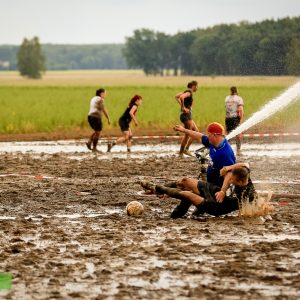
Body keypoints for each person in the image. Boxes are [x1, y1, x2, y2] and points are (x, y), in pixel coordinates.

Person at [141, 162, 257, 218]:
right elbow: (245, 164)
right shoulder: (245, 174)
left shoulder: (249, 194)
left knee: (188, 195)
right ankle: (160, 191)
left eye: (233, 180)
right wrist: (228, 168)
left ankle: (156, 187)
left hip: (217, 206)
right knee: (185, 181)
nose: (230, 181)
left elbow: (251, 210)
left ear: (241, 182)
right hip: (217, 192)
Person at [175, 80, 199, 157]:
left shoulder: (186, 92)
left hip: (187, 115)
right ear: (194, 86)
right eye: (197, 86)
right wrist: (183, 107)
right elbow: (181, 97)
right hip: (186, 116)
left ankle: (186, 149)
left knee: (196, 132)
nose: (197, 88)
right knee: (187, 135)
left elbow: (177, 96)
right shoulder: (189, 92)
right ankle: (181, 152)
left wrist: (182, 106)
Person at [86, 88, 111, 152]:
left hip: (90, 117)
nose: (105, 95)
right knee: (98, 133)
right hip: (96, 117)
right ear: (101, 93)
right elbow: (103, 109)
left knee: (96, 131)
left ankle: (89, 142)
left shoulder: (93, 98)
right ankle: (94, 148)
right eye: (105, 93)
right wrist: (108, 118)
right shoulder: (100, 99)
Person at [225, 86, 244, 153]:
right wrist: (241, 119)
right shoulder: (239, 99)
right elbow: (240, 109)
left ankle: (227, 149)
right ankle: (238, 149)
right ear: (236, 91)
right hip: (235, 118)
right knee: (238, 133)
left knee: (228, 134)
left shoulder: (227, 98)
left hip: (227, 118)